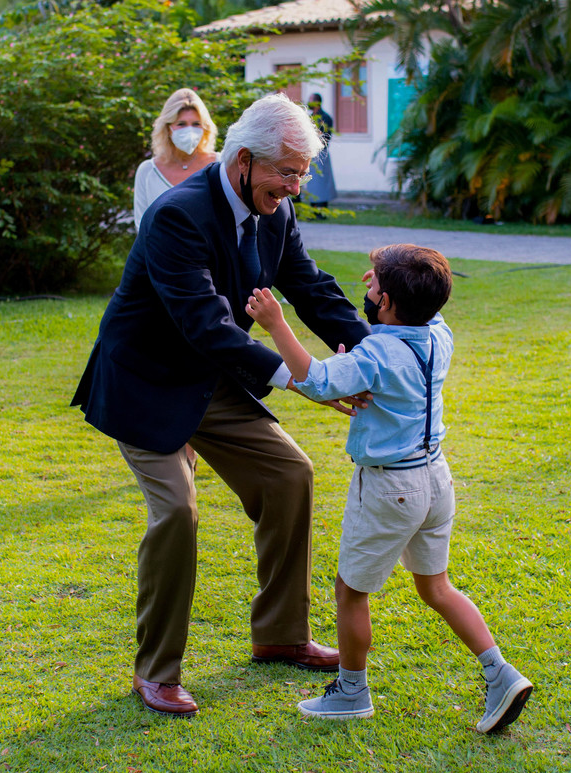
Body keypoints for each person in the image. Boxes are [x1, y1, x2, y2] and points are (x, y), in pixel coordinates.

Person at [72, 93, 372, 718]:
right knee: (177, 511)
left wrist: (376, 355)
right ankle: (156, 672)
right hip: (148, 382)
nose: (294, 186)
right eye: (284, 172)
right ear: (242, 160)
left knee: (290, 474)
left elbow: (311, 288)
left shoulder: (276, 213)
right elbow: (206, 324)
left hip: (211, 379)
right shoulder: (177, 215)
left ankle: (280, 635)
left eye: (302, 172)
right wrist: (306, 379)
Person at [244, 244, 534, 734]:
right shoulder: (438, 334)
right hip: (435, 480)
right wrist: (392, 283)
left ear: (390, 301)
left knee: (350, 591)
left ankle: (351, 693)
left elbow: (315, 382)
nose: (368, 286)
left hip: (388, 488)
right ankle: (500, 671)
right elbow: (392, 332)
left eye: (375, 283)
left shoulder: (377, 351)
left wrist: (276, 323)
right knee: (436, 587)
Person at [133, 88, 219, 230]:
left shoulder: (220, 165)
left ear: (205, 127)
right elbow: (142, 228)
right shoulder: (148, 171)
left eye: (196, 124)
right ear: (167, 128)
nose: (190, 131)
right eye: (181, 124)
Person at [303, 93, 337, 209]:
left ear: (317, 102)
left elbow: (326, 137)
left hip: (321, 153)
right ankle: (313, 209)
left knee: (323, 183)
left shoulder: (325, 117)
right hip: (311, 153)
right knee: (312, 183)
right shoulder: (311, 117)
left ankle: (323, 209)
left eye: (311, 100)